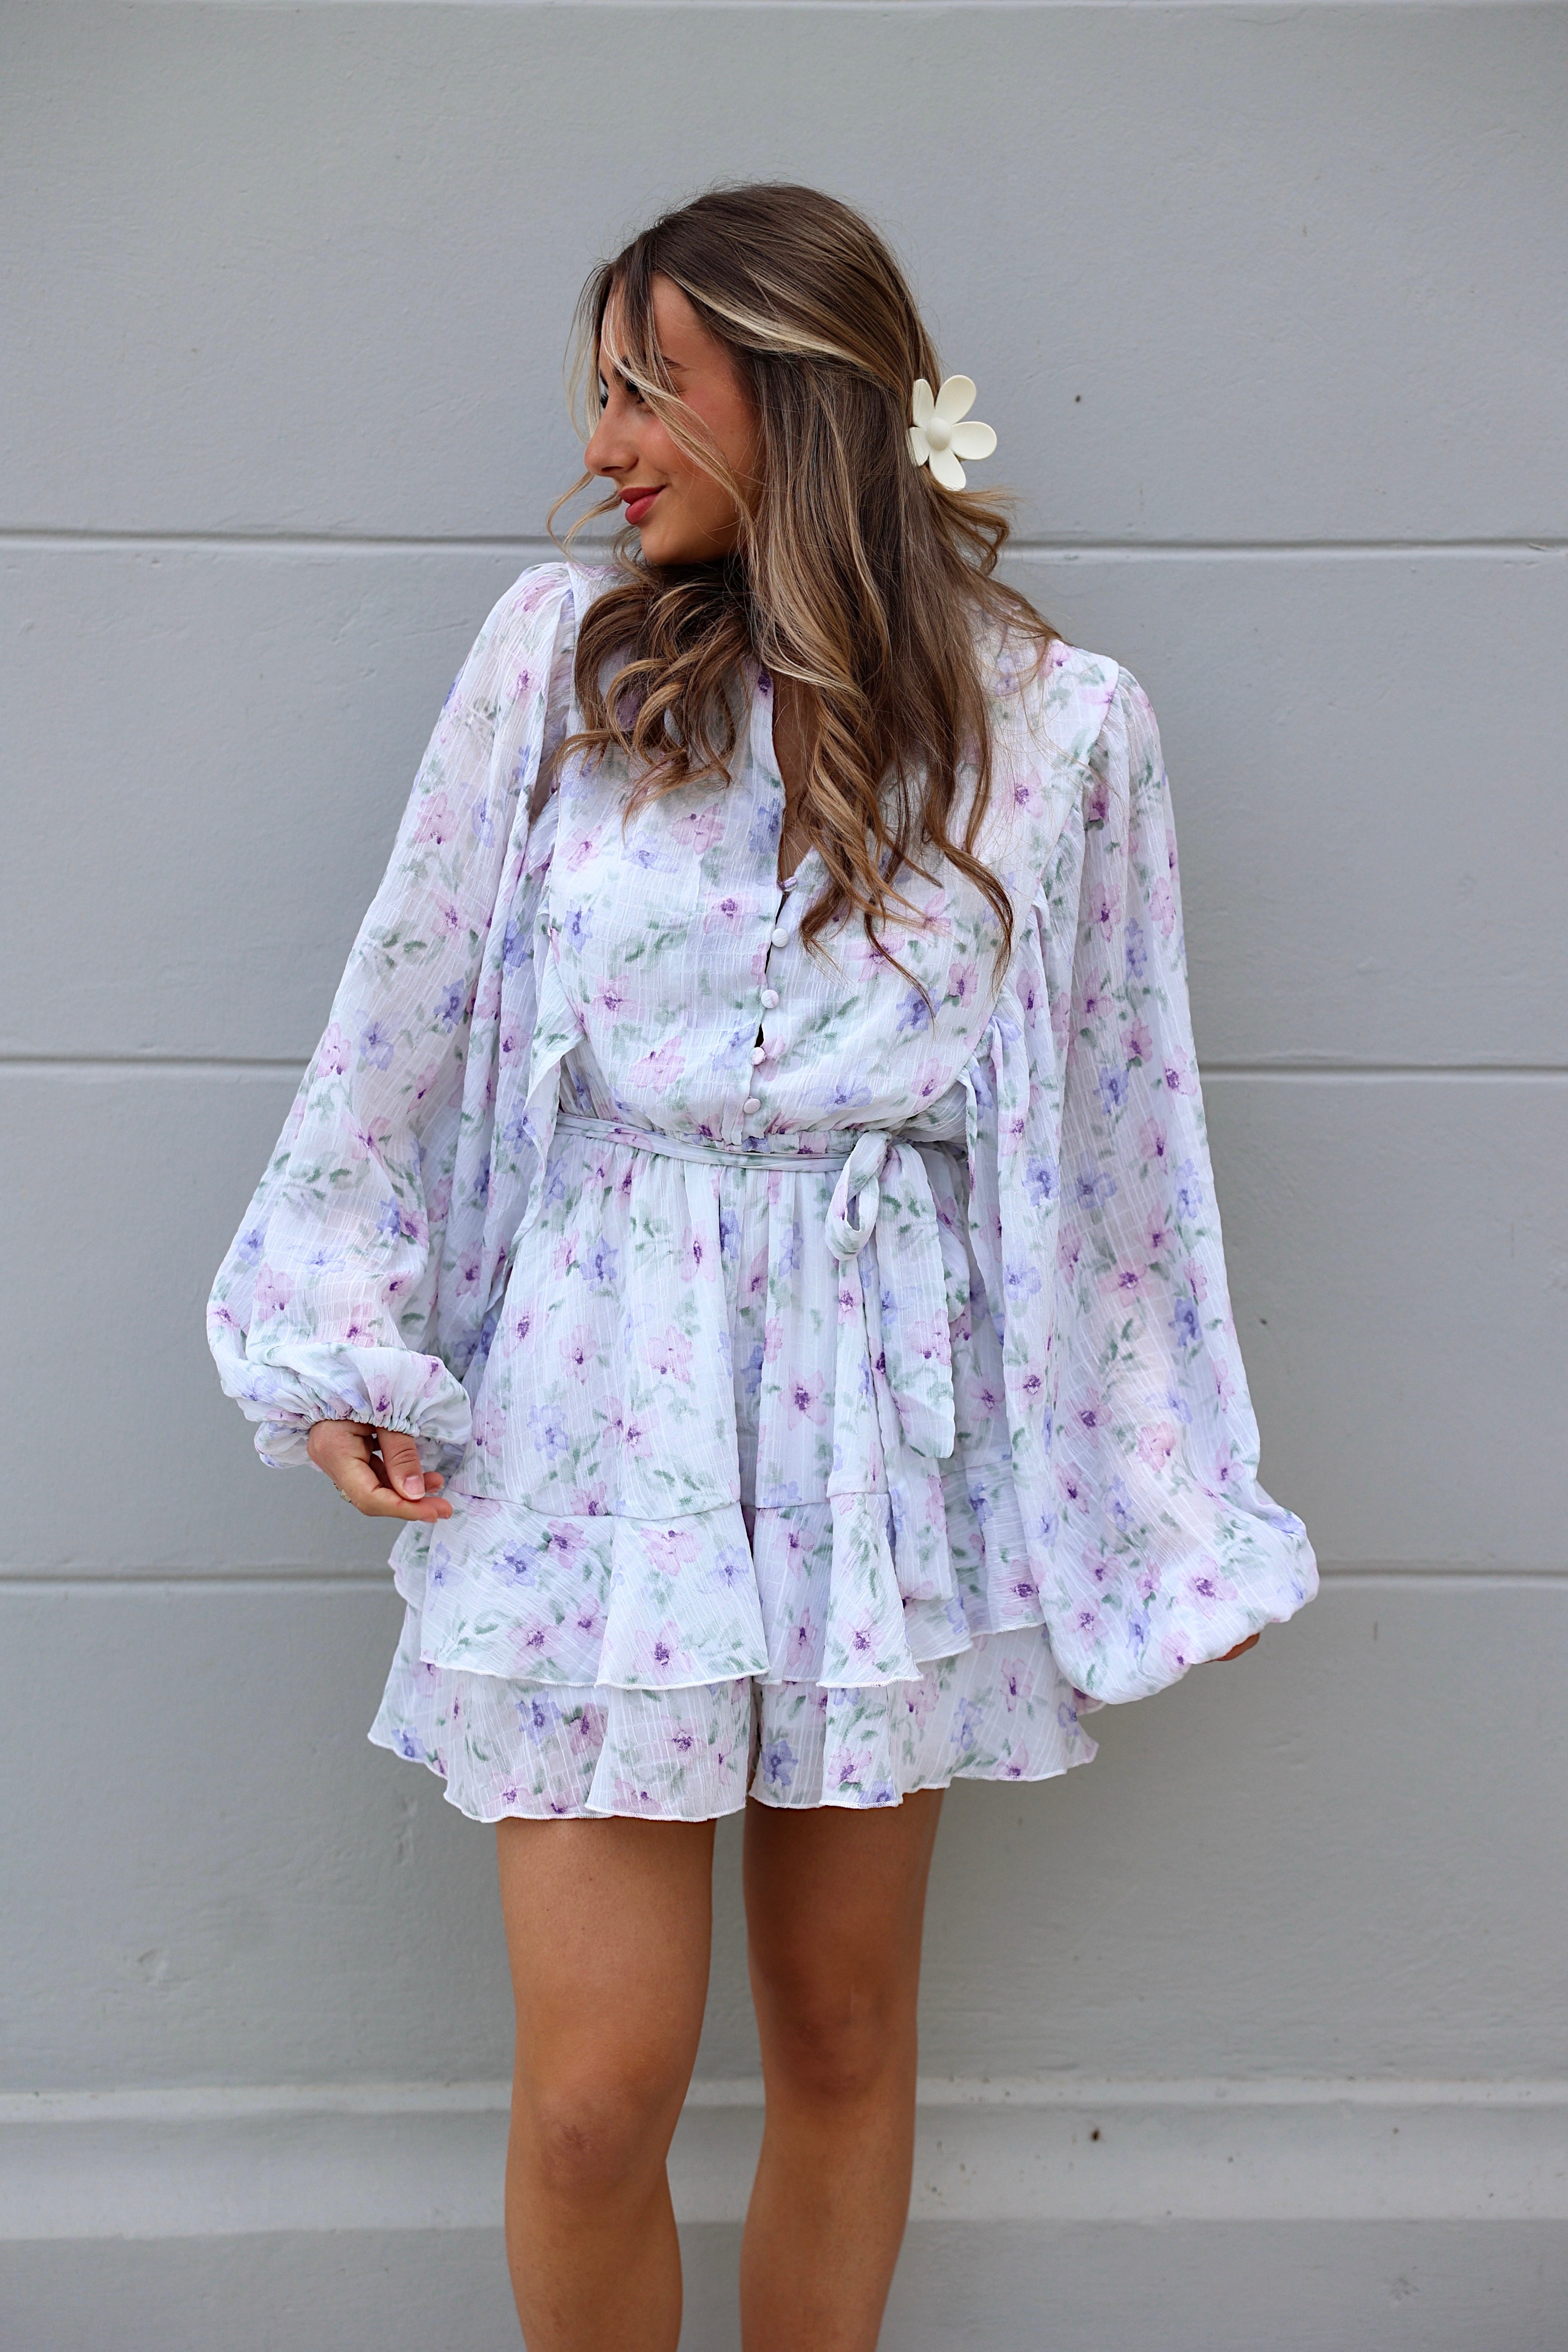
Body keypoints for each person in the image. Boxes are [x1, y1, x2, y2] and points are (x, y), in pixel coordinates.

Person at [209, 183, 1315, 2352]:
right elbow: (404, 1008)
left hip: (878, 1426)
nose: (603, 444)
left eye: (650, 389)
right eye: (600, 392)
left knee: (838, 2033)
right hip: (597, 1395)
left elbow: (1120, 1151)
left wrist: (1172, 1498)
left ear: (805, 400)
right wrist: (336, 1329)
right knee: (592, 2108)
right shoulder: (560, 664)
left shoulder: (1062, 729)